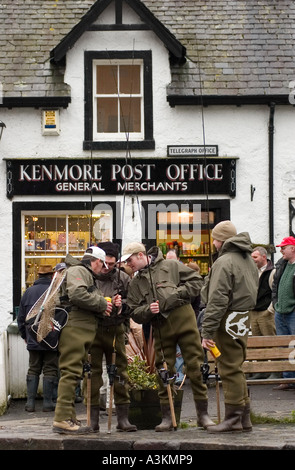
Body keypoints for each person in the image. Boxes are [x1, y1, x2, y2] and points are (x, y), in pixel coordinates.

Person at [122, 241, 214, 432]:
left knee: (196, 366)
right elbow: (133, 311)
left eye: (129, 260)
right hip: (161, 327)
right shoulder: (136, 283)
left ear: (140, 255)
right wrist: (148, 309)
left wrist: (176, 294)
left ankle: (203, 415)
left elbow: (197, 281)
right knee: (163, 370)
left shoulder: (170, 266)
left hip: (184, 319)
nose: (128, 264)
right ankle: (167, 417)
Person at [201, 221, 258, 433]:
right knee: (237, 364)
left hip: (227, 318)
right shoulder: (247, 259)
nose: (213, 242)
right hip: (242, 316)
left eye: (215, 238)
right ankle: (244, 418)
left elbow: (217, 299)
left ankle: (233, 419)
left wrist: (206, 331)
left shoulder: (224, 261)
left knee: (228, 366)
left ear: (221, 240)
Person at [52, 246, 113, 434]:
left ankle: (68, 417)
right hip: (75, 327)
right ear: (95, 261)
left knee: (73, 372)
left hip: (80, 327)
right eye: (102, 264)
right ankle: (62, 418)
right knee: (71, 371)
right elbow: (77, 294)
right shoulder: (78, 270)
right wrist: (103, 303)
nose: (104, 269)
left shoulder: (81, 272)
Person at [88, 241, 137, 432]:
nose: (107, 267)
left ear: (116, 262)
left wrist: (121, 304)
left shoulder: (124, 278)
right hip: (93, 330)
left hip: (116, 329)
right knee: (92, 374)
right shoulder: (89, 276)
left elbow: (133, 304)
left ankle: (123, 419)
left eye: (111, 263)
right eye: (104, 262)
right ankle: (92, 420)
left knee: (119, 372)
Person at [17, 264, 59, 412]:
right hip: (51, 337)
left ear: (39, 276)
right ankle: (47, 403)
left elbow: (21, 318)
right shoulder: (55, 291)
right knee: (50, 369)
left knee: (33, 369)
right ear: (51, 276)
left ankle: (30, 403)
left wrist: (25, 335)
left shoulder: (28, 292)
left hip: (32, 336)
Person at [271, 236, 295, 390]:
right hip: (280, 311)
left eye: (283, 247)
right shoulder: (282, 264)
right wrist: (276, 304)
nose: (281, 250)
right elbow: (275, 285)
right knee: (283, 346)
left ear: (293, 248)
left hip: (293, 312)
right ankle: (287, 379)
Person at [250, 246, 276, 336]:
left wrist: (270, 311)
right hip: (253, 313)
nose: (253, 260)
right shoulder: (253, 272)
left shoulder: (273, 272)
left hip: (266, 314)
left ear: (264, 257)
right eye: (251, 257)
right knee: (256, 345)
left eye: (255, 257)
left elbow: (276, 293)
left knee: (271, 344)